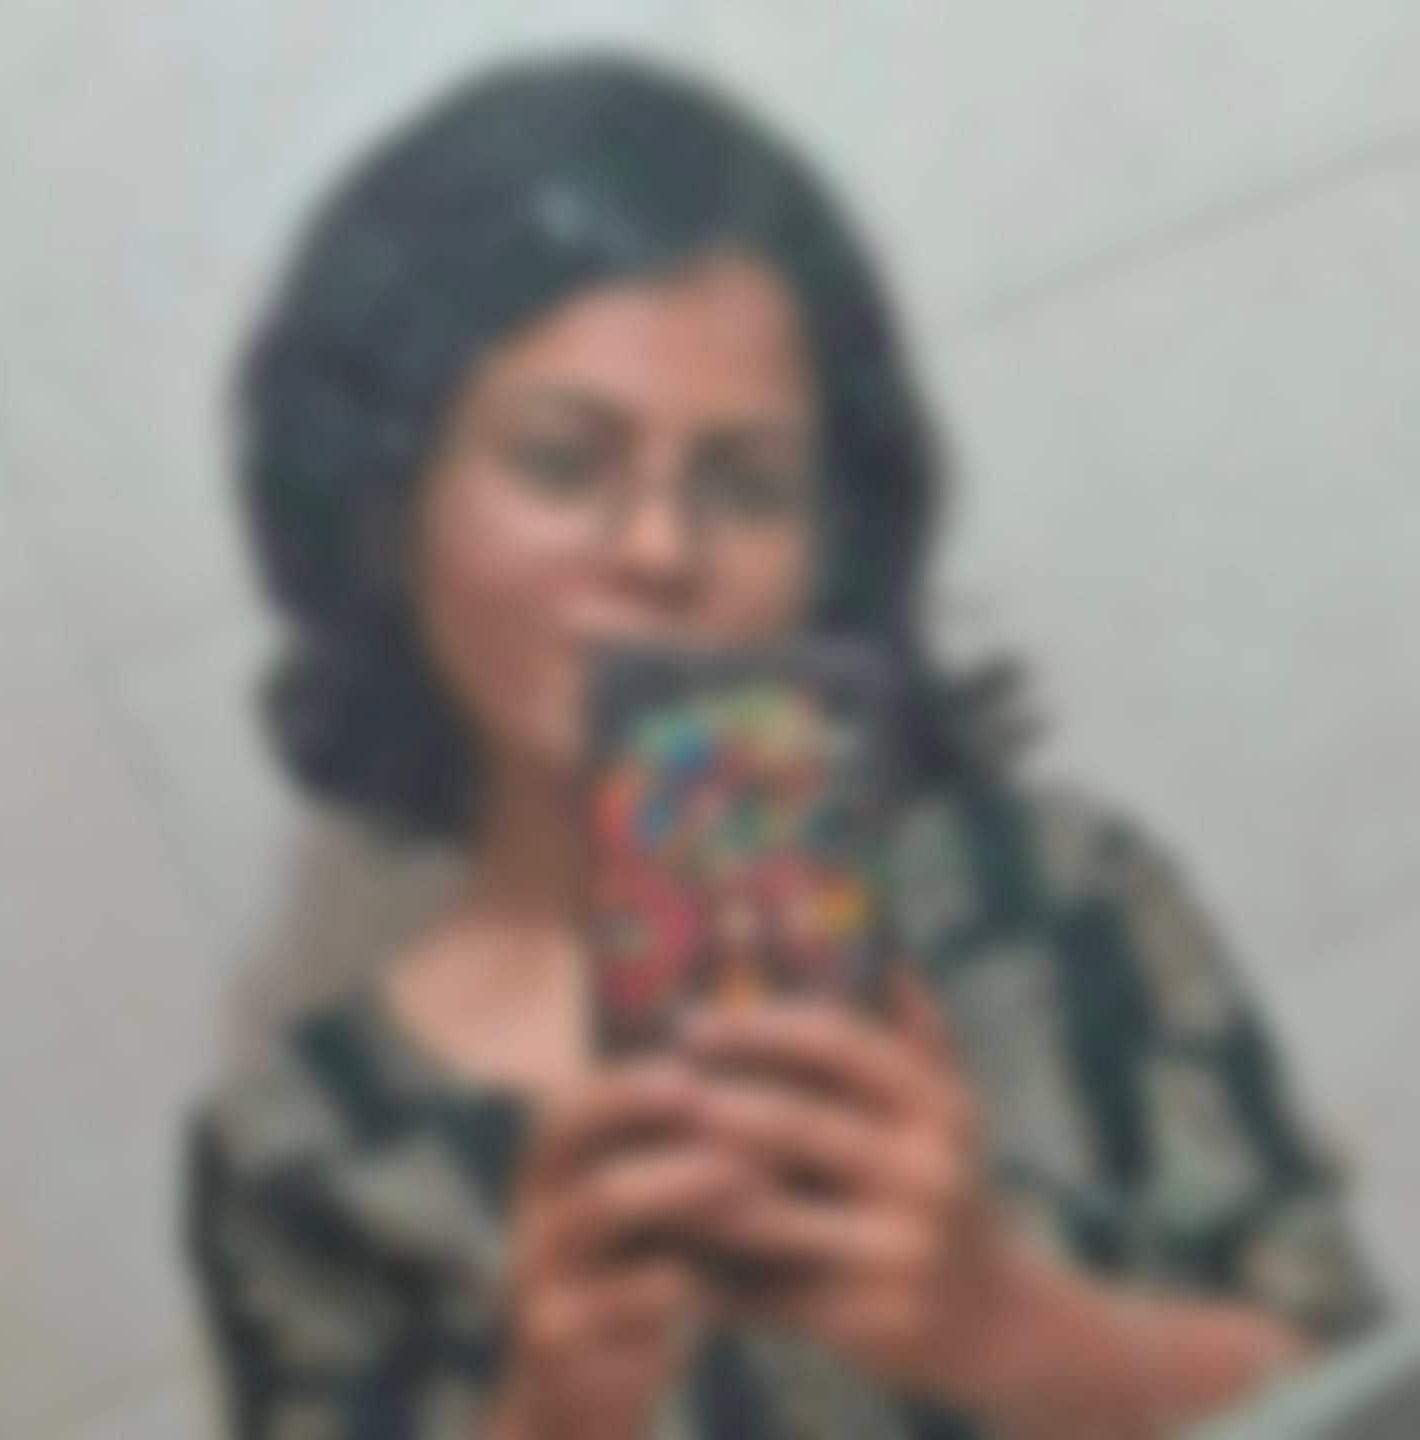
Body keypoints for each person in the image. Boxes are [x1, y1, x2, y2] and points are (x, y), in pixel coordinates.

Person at [183, 52, 1387, 1439]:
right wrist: (553, 1410)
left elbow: (1362, 1391)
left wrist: (1009, 1329)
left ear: (833, 544)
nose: (659, 549)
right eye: (563, 462)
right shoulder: (307, 1158)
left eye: (747, 484)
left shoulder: (1052, 901)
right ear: (386, 505)